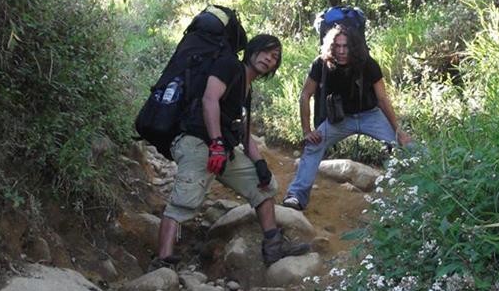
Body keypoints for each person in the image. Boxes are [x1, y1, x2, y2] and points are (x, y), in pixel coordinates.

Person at [151, 34, 310, 270]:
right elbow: (209, 99)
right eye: (266, 52)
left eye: (275, 57)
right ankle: (163, 262)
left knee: (264, 186)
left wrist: (260, 165)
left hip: (221, 149)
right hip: (196, 141)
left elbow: (243, 132)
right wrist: (215, 143)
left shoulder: (246, 88)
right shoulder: (229, 65)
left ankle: (273, 247)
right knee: (185, 200)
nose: (269, 59)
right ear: (252, 50)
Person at [283, 25, 412, 211]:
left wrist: (398, 131)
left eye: (346, 46)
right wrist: (307, 131)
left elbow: (382, 98)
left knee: (408, 146)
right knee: (313, 145)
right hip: (340, 119)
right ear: (330, 46)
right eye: (337, 46)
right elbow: (305, 95)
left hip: (370, 115)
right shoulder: (321, 64)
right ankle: (296, 195)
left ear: (354, 47)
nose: (342, 51)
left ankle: (428, 186)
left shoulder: (367, 63)